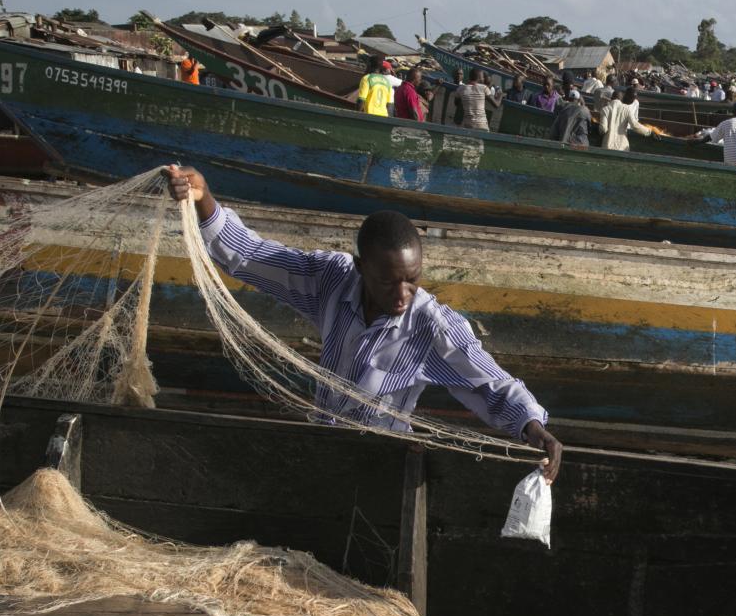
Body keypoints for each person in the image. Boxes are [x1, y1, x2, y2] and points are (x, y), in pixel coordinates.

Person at [164, 166, 562, 480]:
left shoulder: (431, 326)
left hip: (379, 464)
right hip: (320, 447)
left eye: (412, 280)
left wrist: (533, 426)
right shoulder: (332, 281)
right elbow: (251, 255)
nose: (402, 294)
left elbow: (490, 383)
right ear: (361, 268)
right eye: (388, 282)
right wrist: (204, 198)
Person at [598, 86, 653, 151]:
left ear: (611, 98)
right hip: (622, 147)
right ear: (621, 99)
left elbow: (603, 129)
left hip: (607, 146)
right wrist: (649, 132)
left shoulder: (605, 109)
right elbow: (635, 125)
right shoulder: (627, 109)